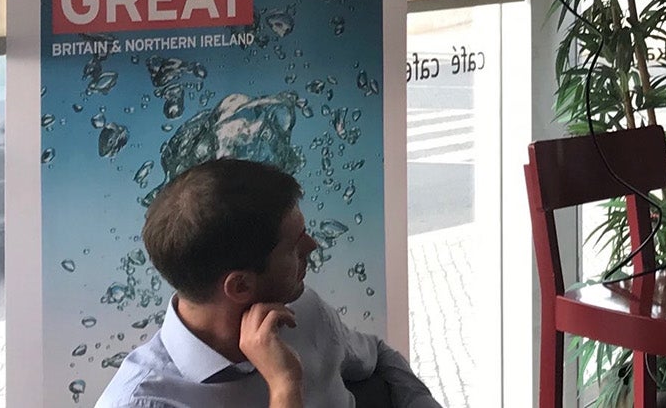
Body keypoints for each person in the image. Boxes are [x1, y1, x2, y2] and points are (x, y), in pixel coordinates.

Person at [96, 158, 442, 408]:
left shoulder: (303, 310)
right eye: (293, 245)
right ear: (240, 286)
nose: (312, 246)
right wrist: (284, 386)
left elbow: (378, 358)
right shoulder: (143, 401)